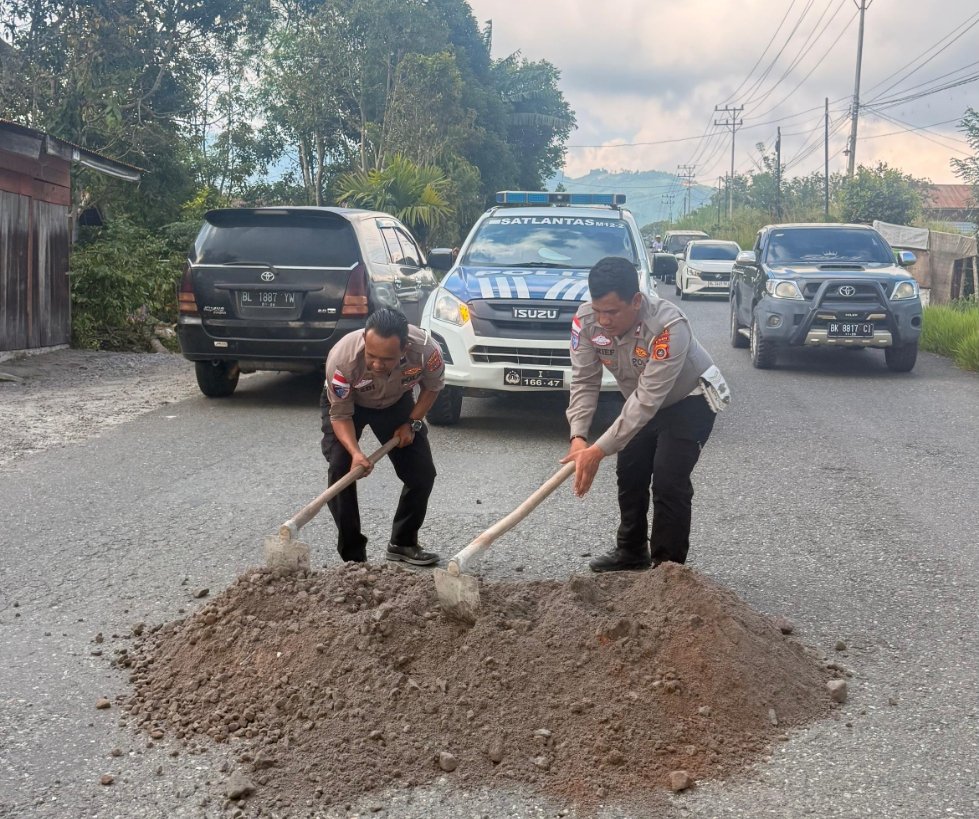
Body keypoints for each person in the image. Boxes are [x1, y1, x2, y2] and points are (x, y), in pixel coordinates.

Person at [561, 256, 729, 572]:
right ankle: (631, 551)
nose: (604, 320)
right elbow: (584, 380)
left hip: (689, 398)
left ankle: (668, 569)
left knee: (668, 478)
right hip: (638, 398)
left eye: (612, 312)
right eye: (598, 310)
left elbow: (648, 401)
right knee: (630, 471)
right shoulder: (585, 322)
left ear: (636, 301)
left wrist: (598, 450)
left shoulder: (669, 326)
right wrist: (579, 436)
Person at [321, 308, 445, 565]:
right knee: (341, 469)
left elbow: (432, 387)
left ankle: (402, 543)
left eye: (387, 359)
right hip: (349, 405)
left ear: (404, 348)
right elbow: (341, 415)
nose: (377, 364)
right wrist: (356, 453)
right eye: (372, 356)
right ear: (364, 340)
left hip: (395, 401)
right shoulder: (342, 359)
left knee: (422, 473)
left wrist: (412, 422)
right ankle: (354, 559)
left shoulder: (427, 352)